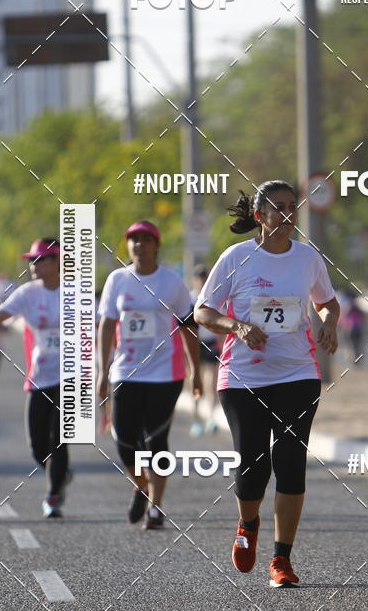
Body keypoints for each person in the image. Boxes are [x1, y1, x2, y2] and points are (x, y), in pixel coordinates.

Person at [194, 180, 339, 587]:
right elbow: (202, 312)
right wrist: (236, 326)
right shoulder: (237, 258)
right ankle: (248, 522)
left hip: (297, 374)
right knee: (252, 467)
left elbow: (326, 301)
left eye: (294, 206)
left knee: (291, 463)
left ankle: (282, 559)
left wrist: (329, 324)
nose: (288, 214)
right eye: (279, 207)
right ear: (260, 216)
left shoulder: (307, 258)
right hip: (243, 378)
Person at [97, 221, 202, 529]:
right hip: (126, 371)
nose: (139, 245)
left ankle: (156, 507)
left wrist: (195, 371)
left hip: (166, 373)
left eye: (146, 239)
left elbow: (189, 326)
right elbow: (106, 327)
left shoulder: (171, 282)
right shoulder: (118, 279)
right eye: (133, 240)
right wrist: (103, 371)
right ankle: (141, 485)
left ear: (157, 245)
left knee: (156, 439)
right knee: (125, 438)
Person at [0, 239, 70, 518]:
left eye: (41, 259)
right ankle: (58, 474)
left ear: (58, 262)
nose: (33, 265)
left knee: (59, 438)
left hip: (70, 377)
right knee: (37, 444)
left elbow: (100, 325)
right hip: (40, 377)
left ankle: (54, 494)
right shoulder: (28, 293)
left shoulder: (76, 293)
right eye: (32, 260)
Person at [189, 265, 222, 436]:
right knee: (196, 381)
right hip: (194, 344)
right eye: (199, 277)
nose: (201, 280)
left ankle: (210, 418)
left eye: (204, 277)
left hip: (210, 342)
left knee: (211, 382)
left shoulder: (213, 297)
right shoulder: (189, 298)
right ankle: (196, 419)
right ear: (194, 279)